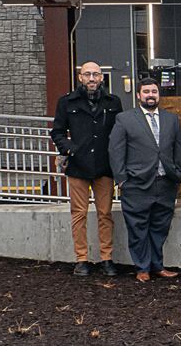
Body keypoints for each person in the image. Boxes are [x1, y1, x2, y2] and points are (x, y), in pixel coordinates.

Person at [50, 62, 123, 277]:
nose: (92, 78)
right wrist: (71, 150)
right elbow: (58, 132)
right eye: (87, 74)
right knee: (79, 215)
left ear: (102, 77)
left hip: (104, 166)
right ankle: (81, 259)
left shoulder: (113, 102)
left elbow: (119, 133)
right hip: (78, 166)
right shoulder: (66, 102)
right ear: (80, 77)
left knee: (105, 215)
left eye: (96, 74)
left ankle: (106, 259)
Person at [108, 78, 181, 282]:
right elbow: (116, 151)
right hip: (136, 184)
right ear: (139, 95)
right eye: (146, 92)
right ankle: (142, 268)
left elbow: (179, 149)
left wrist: (176, 175)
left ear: (159, 94)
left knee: (160, 227)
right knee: (138, 228)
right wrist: (122, 179)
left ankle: (157, 266)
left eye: (154, 91)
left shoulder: (172, 119)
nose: (151, 95)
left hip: (165, 182)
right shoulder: (125, 119)